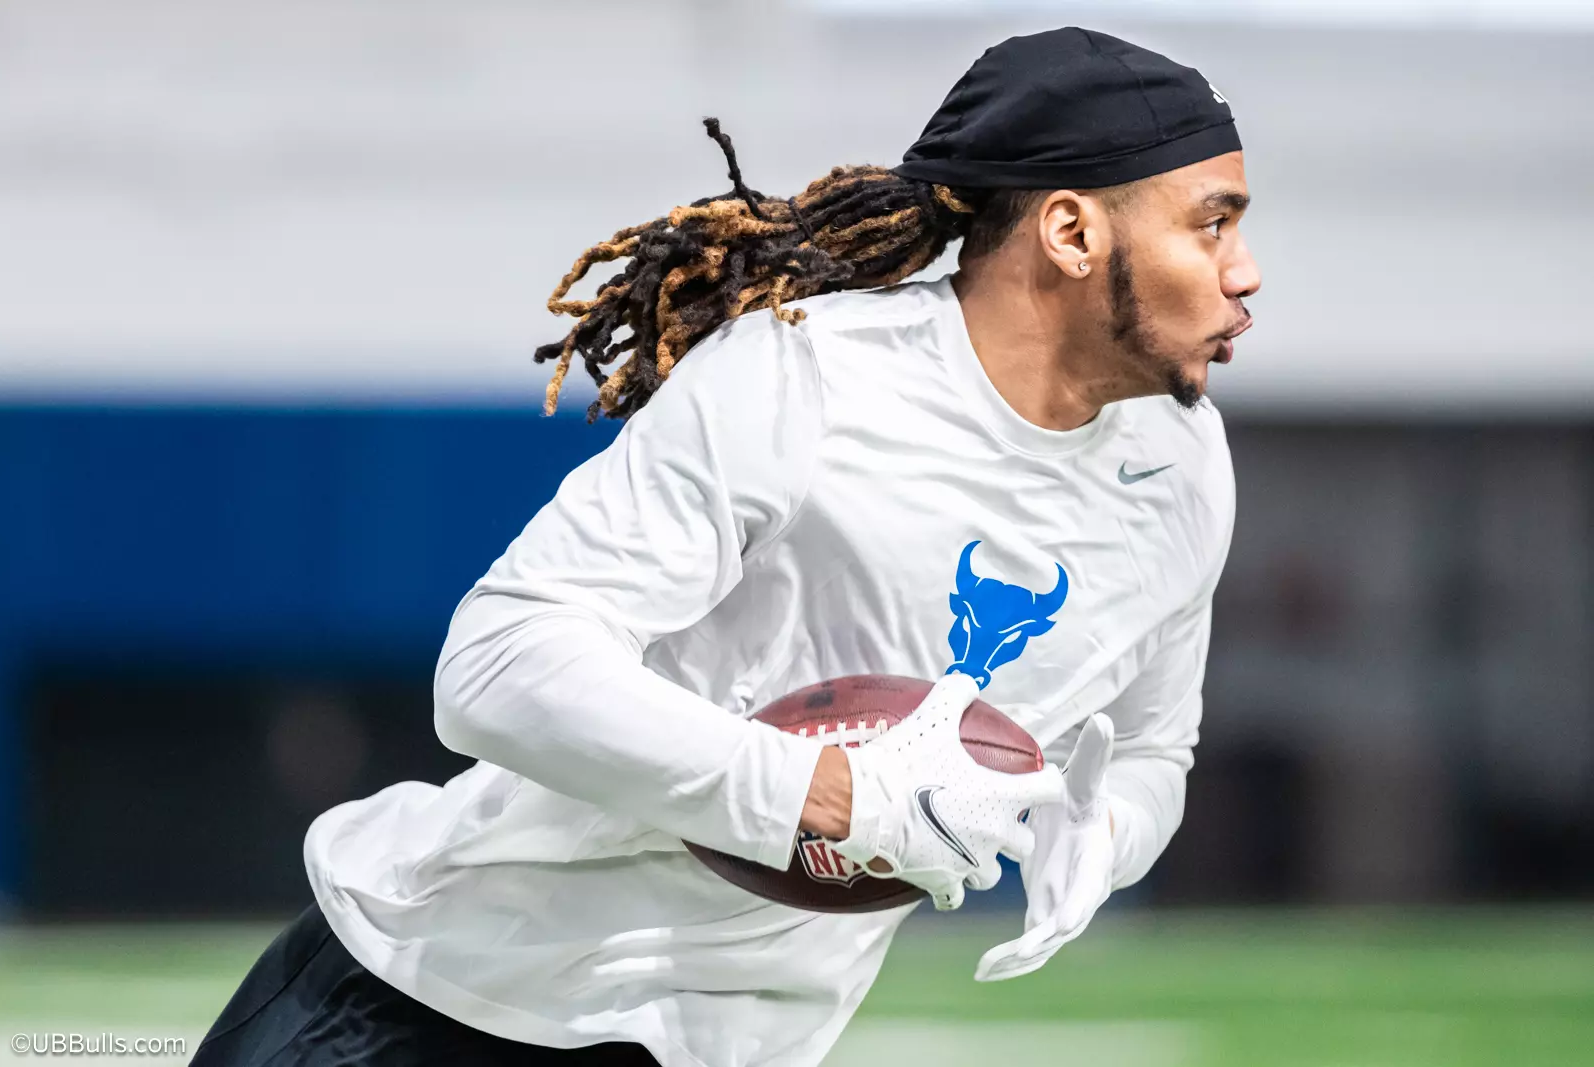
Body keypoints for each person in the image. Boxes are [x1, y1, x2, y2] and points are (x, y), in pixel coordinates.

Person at [192, 25, 1260, 1067]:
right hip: (434, 997)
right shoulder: (807, 378)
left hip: (740, 1040)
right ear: (1072, 234)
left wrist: (1099, 833)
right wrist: (824, 792)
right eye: (1210, 224)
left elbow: (1151, 749)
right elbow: (497, 664)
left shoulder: (1183, 470)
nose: (1245, 272)